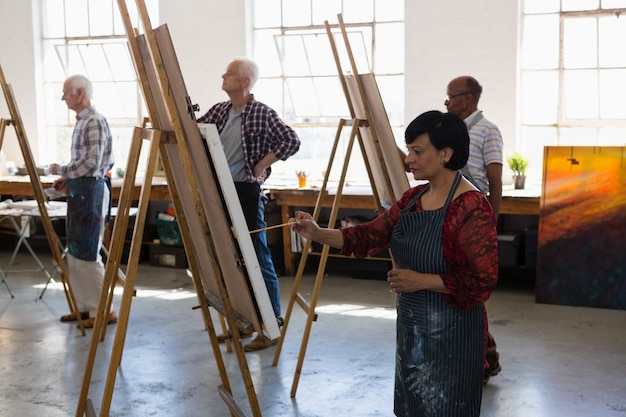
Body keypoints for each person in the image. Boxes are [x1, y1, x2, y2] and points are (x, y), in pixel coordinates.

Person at [290, 110, 498, 416]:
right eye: (409, 150)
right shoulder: (413, 199)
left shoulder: (471, 206)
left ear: (445, 154)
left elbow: (482, 281)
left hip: (453, 336)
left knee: (447, 408)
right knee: (413, 404)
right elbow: (369, 236)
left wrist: (422, 280)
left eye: (417, 151)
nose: (408, 159)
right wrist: (317, 233)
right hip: (413, 331)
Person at [197, 58, 300, 351]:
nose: (223, 74)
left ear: (244, 82)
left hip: (246, 191)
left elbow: (291, 141)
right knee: (227, 257)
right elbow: (194, 134)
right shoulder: (219, 111)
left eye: (229, 73)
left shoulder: (262, 113)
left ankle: (270, 325)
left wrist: (262, 164)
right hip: (219, 190)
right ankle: (242, 323)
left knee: (256, 256)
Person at [445, 75, 503, 384]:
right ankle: (488, 358)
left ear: (469, 99)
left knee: (472, 293)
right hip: (453, 219)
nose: (447, 103)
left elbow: (494, 182)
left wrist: (490, 226)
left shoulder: (487, 131)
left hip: (475, 221)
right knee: (466, 294)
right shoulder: (451, 133)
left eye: (451, 97)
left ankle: (486, 360)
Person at [49, 74, 116, 329]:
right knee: (77, 253)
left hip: (92, 191)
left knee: (87, 252)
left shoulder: (94, 121)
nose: (63, 97)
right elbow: (86, 163)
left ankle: (103, 311)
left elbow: (92, 163)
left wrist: (61, 170)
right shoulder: (82, 121)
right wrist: (67, 179)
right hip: (82, 190)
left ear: (79, 93)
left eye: (66, 93)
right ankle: (86, 309)